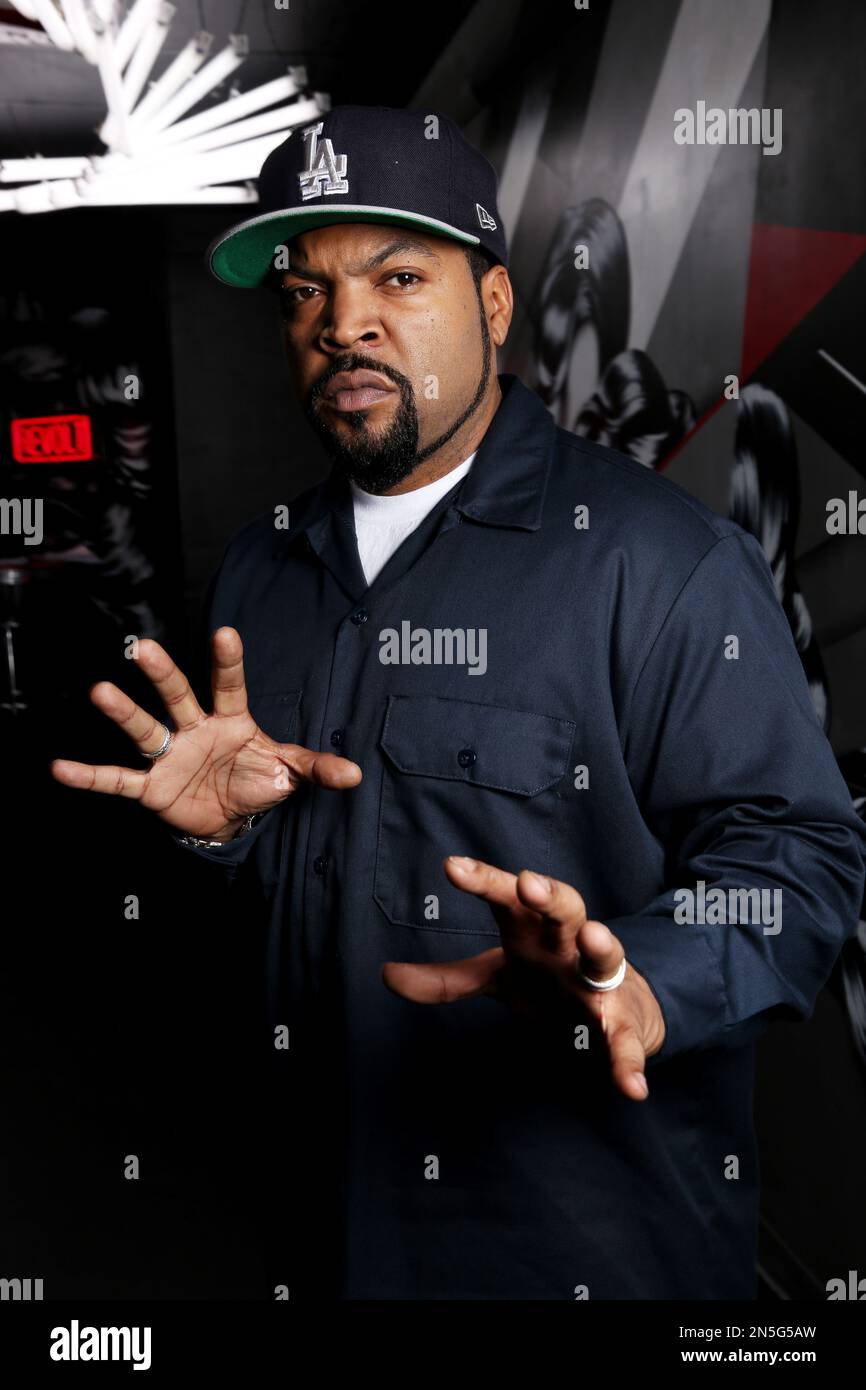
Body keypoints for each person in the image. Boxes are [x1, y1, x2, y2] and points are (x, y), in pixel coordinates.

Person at [50, 106, 866, 1300]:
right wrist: (225, 840)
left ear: (490, 307)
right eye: (302, 293)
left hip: (572, 1253)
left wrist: (637, 979)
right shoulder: (257, 572)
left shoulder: (657, 562)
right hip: (318, 1224)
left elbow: (802, 859)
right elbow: (302, 879)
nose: (344, 325)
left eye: (397, 275)